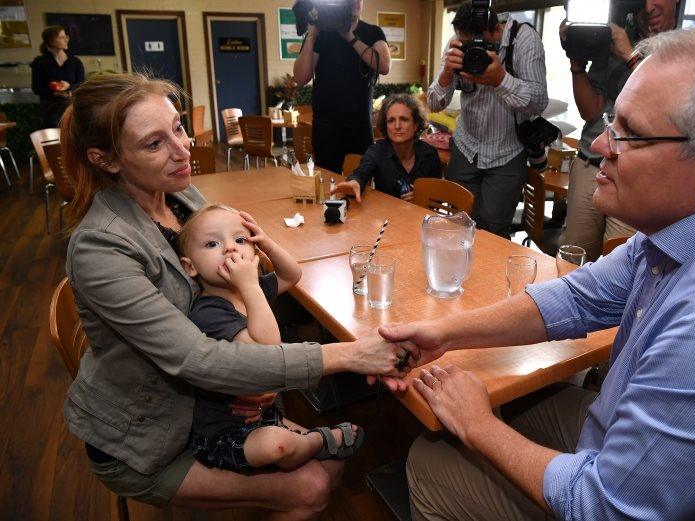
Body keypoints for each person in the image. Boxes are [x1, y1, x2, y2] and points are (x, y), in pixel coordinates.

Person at [381, 29, 695, 520]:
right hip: (613, 427)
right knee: (517, 405)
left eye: (629, 131)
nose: (602, 142)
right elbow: (578, 298)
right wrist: (442, 332)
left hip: (613, 496)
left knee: (431, 460)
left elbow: (607, 508)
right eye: (611, 120)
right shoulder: (679, 231)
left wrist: (477, 425)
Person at [60, 72, 412, 517]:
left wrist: (256, 377)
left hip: (212, 409)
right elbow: (198, 359)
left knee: (331, 469)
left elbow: (239, 300)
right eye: (154, 144)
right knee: (313, 486)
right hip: (147, 437)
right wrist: (349, 355)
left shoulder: (181, 195)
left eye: (179, 127)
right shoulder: (101, 247)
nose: (182, 149)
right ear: (106, 160)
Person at [178, 204, 364, 472]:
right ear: (190, 267)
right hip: (222, 434)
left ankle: (306, 443)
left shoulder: (251, 290)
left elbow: (292, 274)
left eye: (240, 240)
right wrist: (250, 285)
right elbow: (268, 352)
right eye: (212, 244)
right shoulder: (209, 311)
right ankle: (316, 440)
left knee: (286, 445)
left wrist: (266, 243)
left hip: (260, 416)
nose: (230, 248)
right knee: (276, 445)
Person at [561, 0, 680, 261]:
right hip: (590, 164)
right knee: (574, 258)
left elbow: (669, 108)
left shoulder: (683, 45)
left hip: (639, 173)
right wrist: (577, 62)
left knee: (622, 261)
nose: (649, 7)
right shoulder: (609, 44)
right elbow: (590, 112)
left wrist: (631, 56)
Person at [428, 2, 547, 239]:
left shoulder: (524, 39)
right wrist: (446, 74)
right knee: (457, 225)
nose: (470, 49)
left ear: (495, 32)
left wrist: (500, 80)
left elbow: (539, 101)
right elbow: (433, 103)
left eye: (476, 44)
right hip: (466, 147)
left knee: (494, 231)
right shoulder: (458, 42)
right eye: (465, 44)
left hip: (507, 151)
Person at [293, 0, 390, 174]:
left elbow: (383, 66)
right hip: (326, 126)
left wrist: (350, 36)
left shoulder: (373, 32)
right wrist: (312, 36)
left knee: (362, 180)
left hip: (359, 125)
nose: (354, 3)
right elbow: (300, 78)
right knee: (327, 179)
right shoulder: (321, 32)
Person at [331, 94, 441, 202]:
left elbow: (438, 196)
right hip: (386, 215)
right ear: (386, 126)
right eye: (391, 121)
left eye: (404, 119)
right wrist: (355, 182)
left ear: (416, 124)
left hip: (421, 217)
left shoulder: (430, 154)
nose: (397, 126)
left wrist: (423, 196)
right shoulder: (377, 151)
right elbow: (361, 173)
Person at [31, 25, 85, 128]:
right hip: (51, 111)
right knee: (55, 139)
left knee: (74, 136)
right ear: (51, 41)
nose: (66, 39)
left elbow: (82, 84)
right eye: (61, 37)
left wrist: (70, 88)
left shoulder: (75, 61)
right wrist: (54, 92)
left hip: (72, 108)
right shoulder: (40, 62)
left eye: (66, 36)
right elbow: (36, 88)